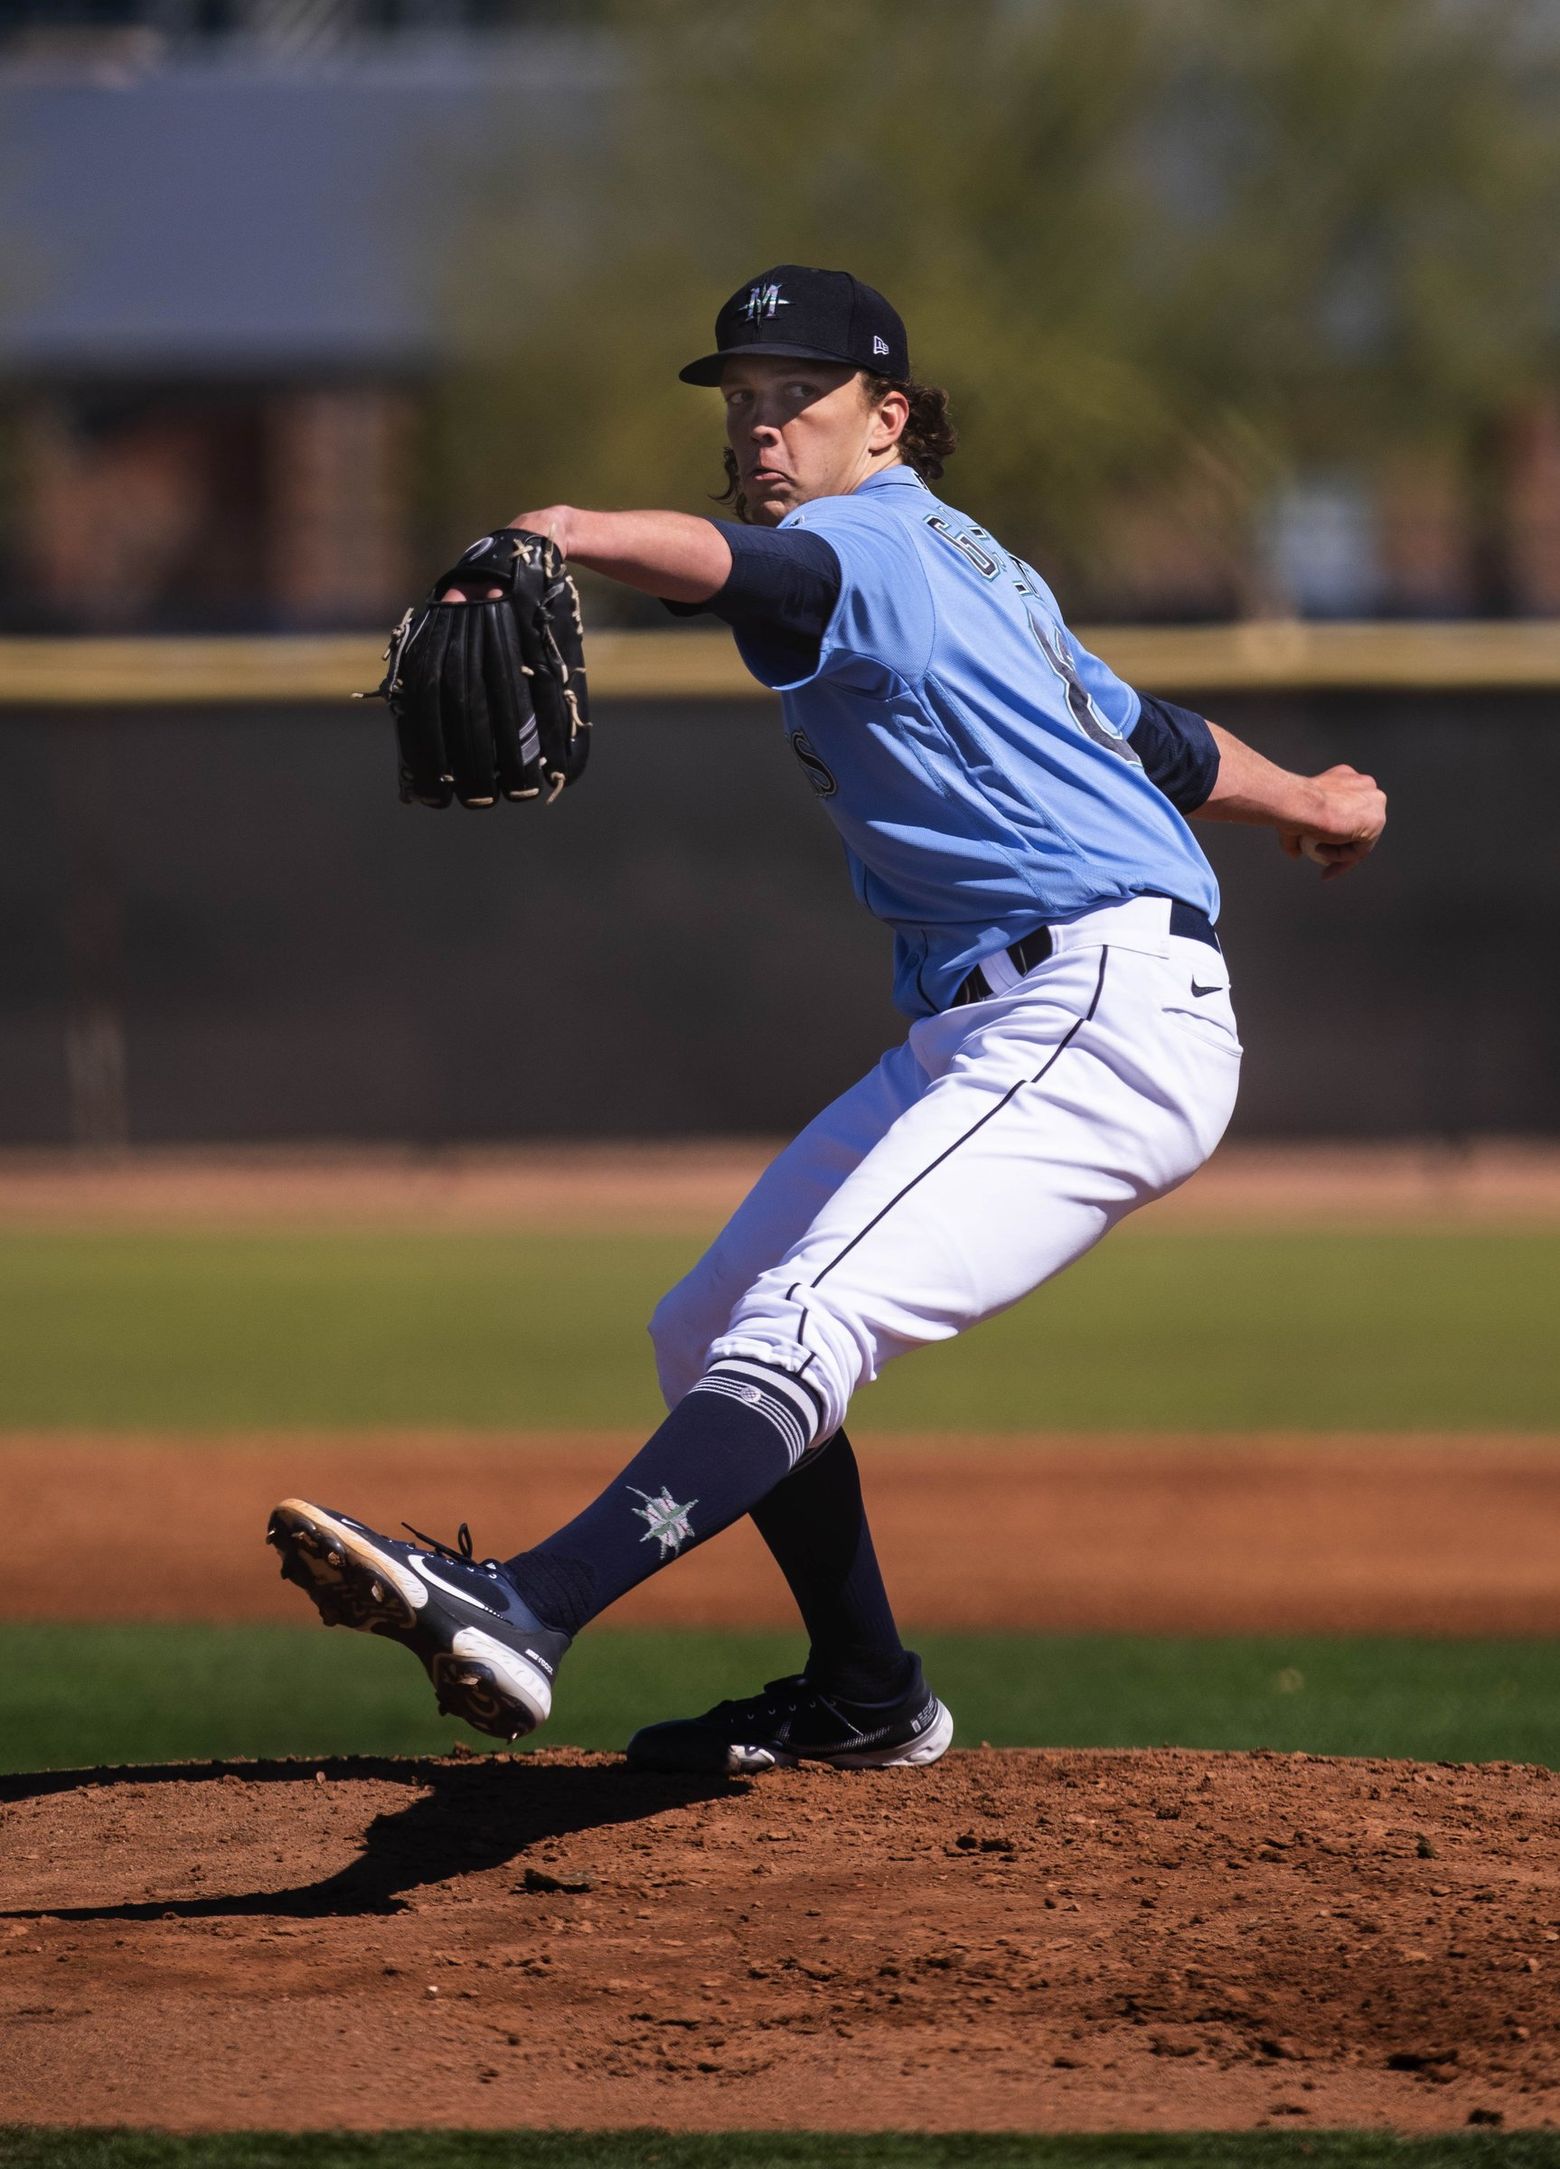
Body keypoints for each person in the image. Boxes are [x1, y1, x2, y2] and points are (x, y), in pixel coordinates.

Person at [269, 265, 1386, 1774]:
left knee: (806, 1318)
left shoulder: (864, 546)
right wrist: (1305, 797)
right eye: (742, 401)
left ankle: (529, 1603)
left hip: (1090, 1008)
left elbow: (757, 576)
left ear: (892, 415)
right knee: (711, 1326)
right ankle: (867, 1691)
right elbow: (1153, 738)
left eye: (800, 393)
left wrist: (568, 530)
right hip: (1016, 1014)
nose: (764, 425)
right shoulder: (975, 563)